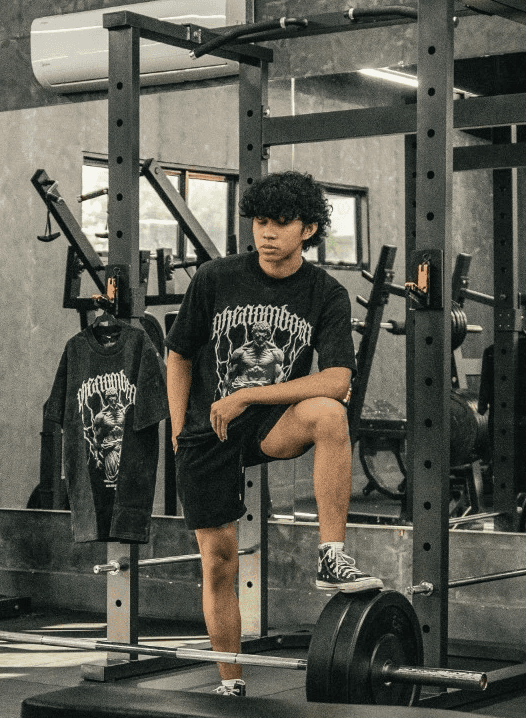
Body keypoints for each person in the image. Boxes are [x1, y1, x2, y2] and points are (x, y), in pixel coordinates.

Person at [165, 171, 378, 698]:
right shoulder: (215, 278)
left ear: (307, 229)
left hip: (266, 425)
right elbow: (179, 353)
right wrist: (176, 430)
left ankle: (330, 553)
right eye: (261, 221)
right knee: (218, 563)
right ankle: (230, 682)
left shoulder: (325, 293)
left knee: (330, 413)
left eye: (281, 224)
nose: (267, 233)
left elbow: (338, 380)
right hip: (207, 430)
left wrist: (249, 395)